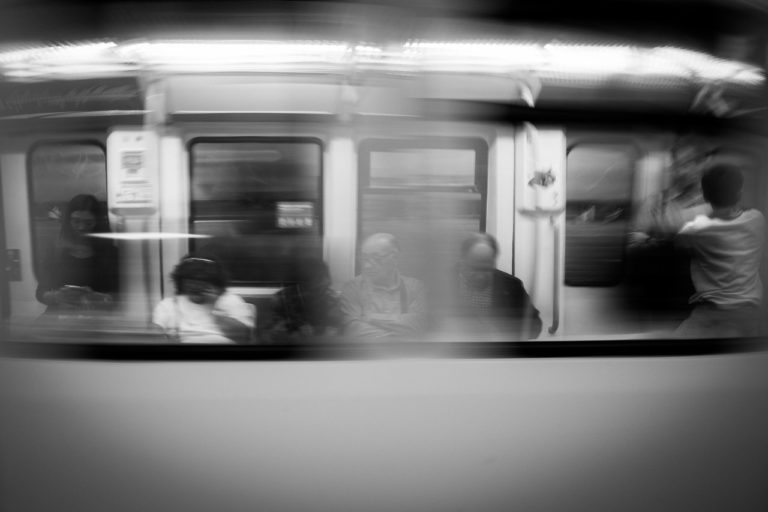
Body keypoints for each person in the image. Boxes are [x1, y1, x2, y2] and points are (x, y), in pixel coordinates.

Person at [675, 165, 765, 337]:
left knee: (671, 349)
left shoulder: (696, 229)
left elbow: (676, 238)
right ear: (739, 193)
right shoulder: (757, 219)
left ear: (705, 196)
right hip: (750, 314)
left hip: (711, 314)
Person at [436, 232, 542, 339]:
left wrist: (502, 331)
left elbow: (535, 326)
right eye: (475, 268)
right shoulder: (442, 283)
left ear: (493, 263)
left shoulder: (511, 286)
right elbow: (428, 325)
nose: (480, 276)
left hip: (497, 352)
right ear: (463, 261)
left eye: (486, 269)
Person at [36, 194, 119, 313]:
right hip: (60, 318)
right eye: (76, 221)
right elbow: (40, 293)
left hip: (96, 318)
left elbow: (118, 296)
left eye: (88, 222)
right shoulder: (55, 251)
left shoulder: (109, 253)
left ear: (97, 223)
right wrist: (56, 296)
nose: (81, 227)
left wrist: (97, 298)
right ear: (68, 221)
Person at [340, 233, 426, 339]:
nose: (367, 265)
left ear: (395, 258)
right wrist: (395, 335)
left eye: (376, 258)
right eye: (364, 258)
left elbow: (417, 326)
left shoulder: (415, 288)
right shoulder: (353, 288)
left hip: (407, 354)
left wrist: (368, 319)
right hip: (364, 353)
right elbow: (353, 330)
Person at [152, 255, 255, 344]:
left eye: (202, 282)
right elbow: (154, 335)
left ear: (215, 283)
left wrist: (215, 306)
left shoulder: (229, 300)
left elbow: (244, 337)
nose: (196, 287)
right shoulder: (169, 304)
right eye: (190, 281)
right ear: (181, 283)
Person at [265, 259, 342, 342]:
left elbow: (338, 331)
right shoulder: (282, 299)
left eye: (327, 280)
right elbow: (269, 335)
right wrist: (291, 334)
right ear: (304, 284)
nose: (329, 284)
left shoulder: (332, 299)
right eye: (318, 282)